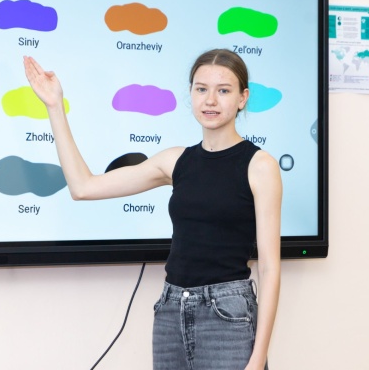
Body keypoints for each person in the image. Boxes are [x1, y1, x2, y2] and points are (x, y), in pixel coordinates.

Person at [24, 48, 281, 370]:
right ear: (191, 94)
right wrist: (54, 106)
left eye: (224, 91)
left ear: (243, 98)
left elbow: (269, 268)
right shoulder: (175, 161)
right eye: (201, 89)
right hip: (171, 310)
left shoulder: (260, 165)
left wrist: (257, 359)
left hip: (227, 314)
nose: (210, 100)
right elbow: (83, 187)